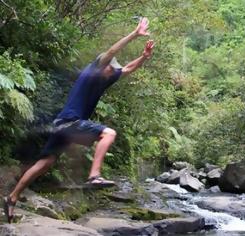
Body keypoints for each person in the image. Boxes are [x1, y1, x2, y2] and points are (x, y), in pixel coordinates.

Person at [3, 17, 154, 224]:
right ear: (104, 66)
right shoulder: (91, 71)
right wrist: (135, 34)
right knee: (108, 133)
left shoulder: (107, 77)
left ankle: (11, 198)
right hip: (70, 122)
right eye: (111, 67)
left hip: (62, 125)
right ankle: (94, 175)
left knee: (45, 162)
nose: (114, 70)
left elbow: (127, 69)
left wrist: (143, 57)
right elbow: (111, 52)